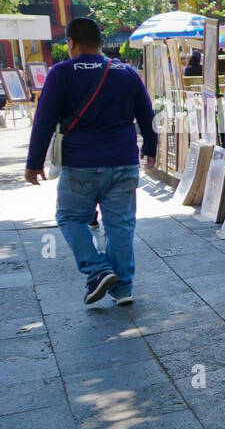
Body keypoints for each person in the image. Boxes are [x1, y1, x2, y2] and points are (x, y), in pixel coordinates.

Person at [25, 17, 157, 306]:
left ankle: (97, 270)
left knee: (70, 218)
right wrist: (151, 147)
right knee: (120, 225)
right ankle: (123, 288)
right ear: (100, 41)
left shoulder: (61, 73)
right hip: (123, 161)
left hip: (81, 163)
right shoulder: (126, 72)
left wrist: (34, 162)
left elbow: (44, 121)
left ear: (71, 42)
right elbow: (147, 115)